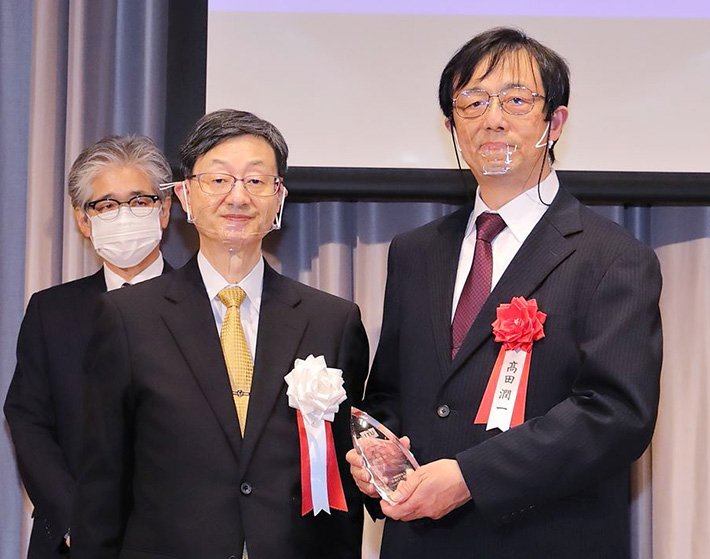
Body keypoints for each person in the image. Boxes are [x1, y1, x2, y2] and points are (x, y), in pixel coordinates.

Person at [347, 27, 662, 558]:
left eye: (517, 100)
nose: (493, 118)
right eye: (472, 101)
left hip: (545, 540)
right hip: (419, 543)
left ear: (554, 121)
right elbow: (392, 392)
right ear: (452, 126)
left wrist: (471, 476)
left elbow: (615, 414)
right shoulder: (415, 251)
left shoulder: (614, 256)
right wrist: (379, 452)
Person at [71, 109, 369, 559]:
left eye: (256, 181)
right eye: (218, 180)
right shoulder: (127, 317)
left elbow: (342, 490)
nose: (238, 196)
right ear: (186, 196)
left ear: (278, 197)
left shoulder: (332, 320)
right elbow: (102, 482)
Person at [4, 135, 173, 558]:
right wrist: (74, 517)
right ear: (83, 220)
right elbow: (27, 419)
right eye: (107, 205)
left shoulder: (207, 306)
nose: (125, 215)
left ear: (165, 210)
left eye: (139, 201)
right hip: (72, 541)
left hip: (181, 537)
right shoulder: (51, 310)